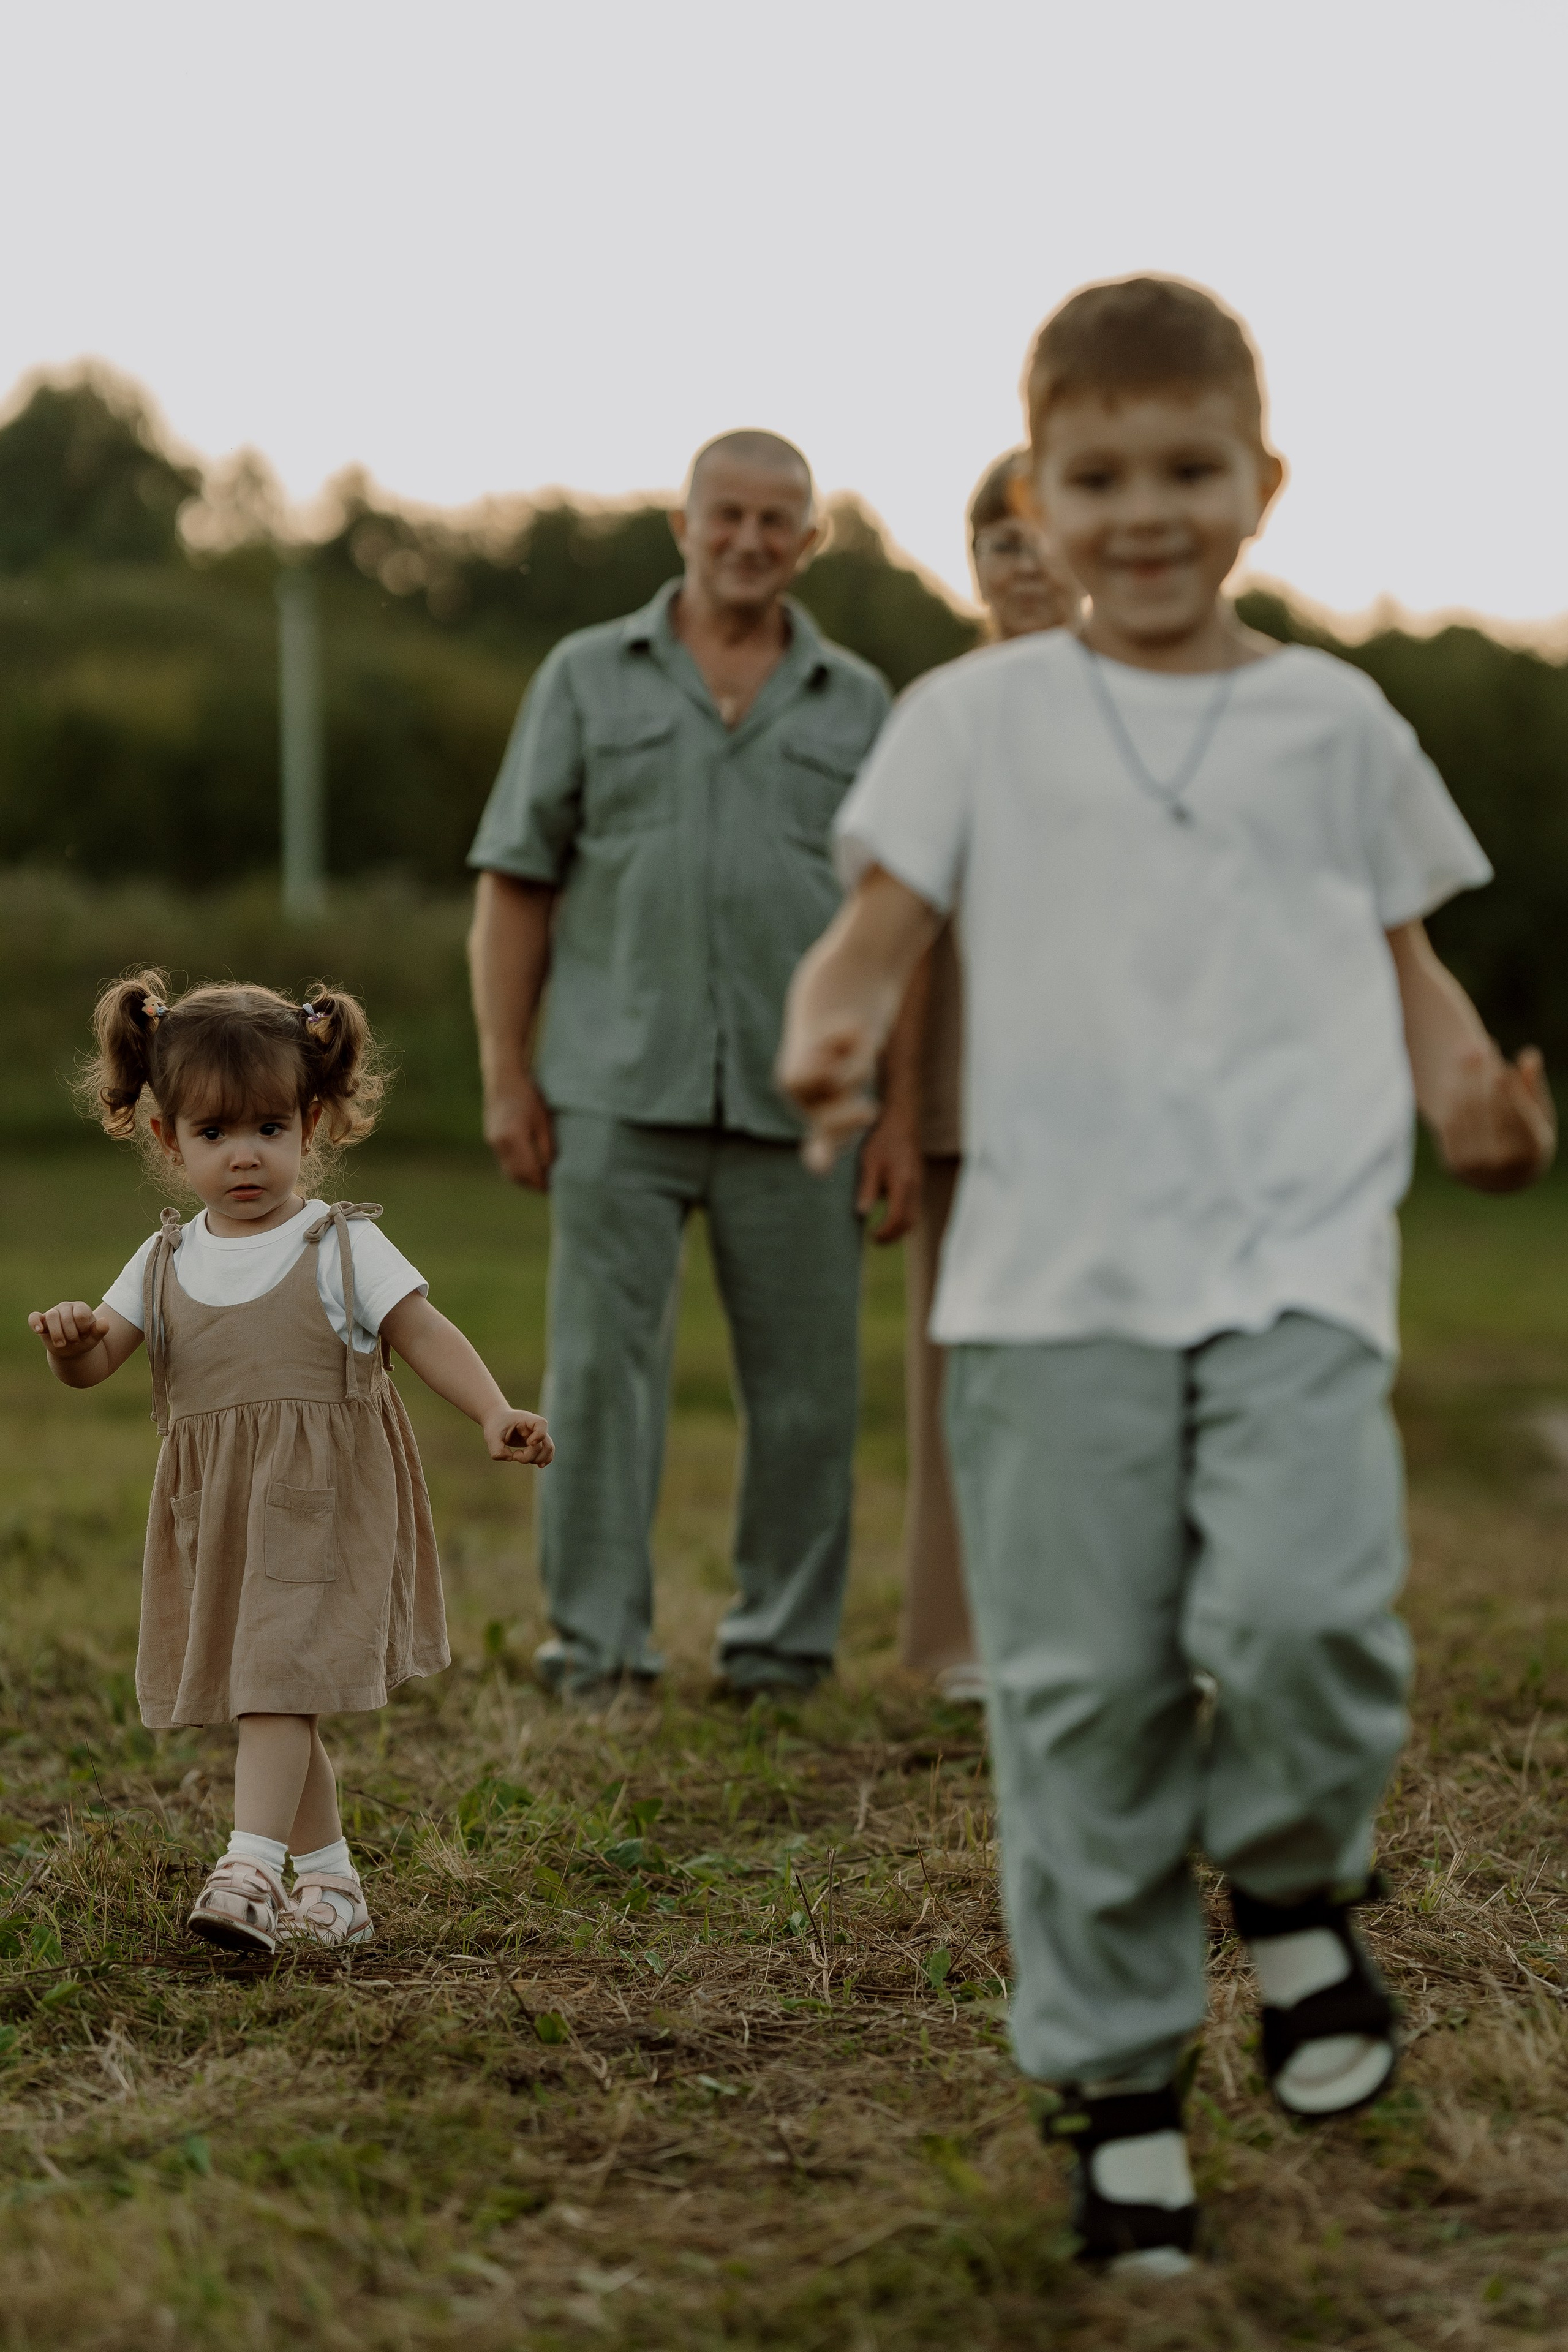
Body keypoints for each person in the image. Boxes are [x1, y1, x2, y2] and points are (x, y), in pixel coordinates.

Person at [777, 276, 1556, 2273]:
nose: (1143, 513)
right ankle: (1122, 2099)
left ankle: (1293, 1881)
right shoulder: (972, 722)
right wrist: (833, 1031)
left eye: (1185, 470)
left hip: (1294, 1253)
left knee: (1305, 1612)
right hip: (1049, 1287)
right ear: (1036, 493)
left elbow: (1404, 958)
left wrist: (1471, 1097)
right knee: (1086, 1698)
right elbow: (877, 932)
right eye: (1100, 476)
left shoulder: (1333, 722)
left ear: (1261, 482)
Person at [467, 432, 890, 1706]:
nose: (750, 539)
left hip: (805, 1109)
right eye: (728, 515)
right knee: (599, 1384)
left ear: (808, 540)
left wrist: (900, 1111)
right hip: (611, 1088)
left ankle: (782, 1654)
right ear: (684, 524)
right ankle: (595, 1652)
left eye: (777, 520)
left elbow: (903, 921)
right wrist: (505, 1074)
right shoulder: (585, 676)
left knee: (807, 1395)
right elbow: (515, 885)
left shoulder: (860, 703)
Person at [28, 973, 552, 1955]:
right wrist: (69, 1344)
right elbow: (97, 1362)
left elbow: (424, 1331)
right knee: (267, 1688)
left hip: (322, 1508)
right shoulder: (163, 1261)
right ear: (169, 1141)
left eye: (269, 1128)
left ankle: (249, 1868)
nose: (245, 1154)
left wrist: (493, 1410)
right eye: (215, 1133)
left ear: (310, 1126)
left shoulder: (339, 1246)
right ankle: (333, 1888)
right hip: (221, 1516)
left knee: (274, 1681)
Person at [862, 450, 1079, 1701]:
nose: (1028, 565)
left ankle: (1110, 1629)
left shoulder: (1149, 698)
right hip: (962, 1094)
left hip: (1109, 1097)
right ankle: (969, 1637)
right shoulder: (940, 714)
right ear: (975, 562)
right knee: (966, 1365)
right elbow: (905, 933)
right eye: (1003, 543)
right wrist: (899, 1111)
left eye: (1046, 539)